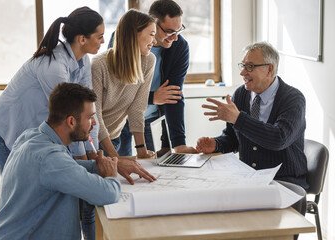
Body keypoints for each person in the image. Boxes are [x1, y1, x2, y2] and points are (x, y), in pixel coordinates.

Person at [0, 82, 121, 240]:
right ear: (71, 121)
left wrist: (99, 166)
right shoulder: (51, 159)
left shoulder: (32, 137)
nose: (94, 123)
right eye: (90, 117)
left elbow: (70, 168)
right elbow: (107, 194)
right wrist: (111, 176)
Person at [0, 6, 104, 174]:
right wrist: (85, 161)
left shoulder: (83, 61)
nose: (103, 41)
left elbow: (88, 111)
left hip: (30, 134)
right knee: (20, 194)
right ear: (82, 39)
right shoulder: (54, 66)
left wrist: (93, 151)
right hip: (8, 132)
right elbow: (72, 117)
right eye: (99, 37)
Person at [196, 41, 308, 191]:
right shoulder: (241, 94)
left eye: (250, 66)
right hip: (249, 179)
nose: (243, 73)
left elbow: (279, 139)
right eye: (242, 66)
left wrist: (237, 118)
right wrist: (216, 144)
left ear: (269, 69)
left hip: (284, 183)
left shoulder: (293, 99)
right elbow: (233, 138)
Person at [116, 0, 197, 156]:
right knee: (121, 167)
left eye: (178, 31)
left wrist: (176, 144)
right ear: (152, 24)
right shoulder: (125, 39)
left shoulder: (179, 46)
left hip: (149, 118)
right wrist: (153, 97)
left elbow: (173, 95)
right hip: (120, 118)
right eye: (169, 31)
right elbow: (117, 93)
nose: (174, 38)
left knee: (152, 168)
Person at [91, 9, 157, 184]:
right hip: (93, 144)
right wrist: (116, 159)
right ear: (133, 34)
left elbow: (137, 108)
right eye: (151, 34)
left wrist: (141, 149)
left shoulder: (148, 61)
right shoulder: (99, 65)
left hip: (115, 138)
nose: (154, 41)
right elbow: (94, 117)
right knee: (97, 200)